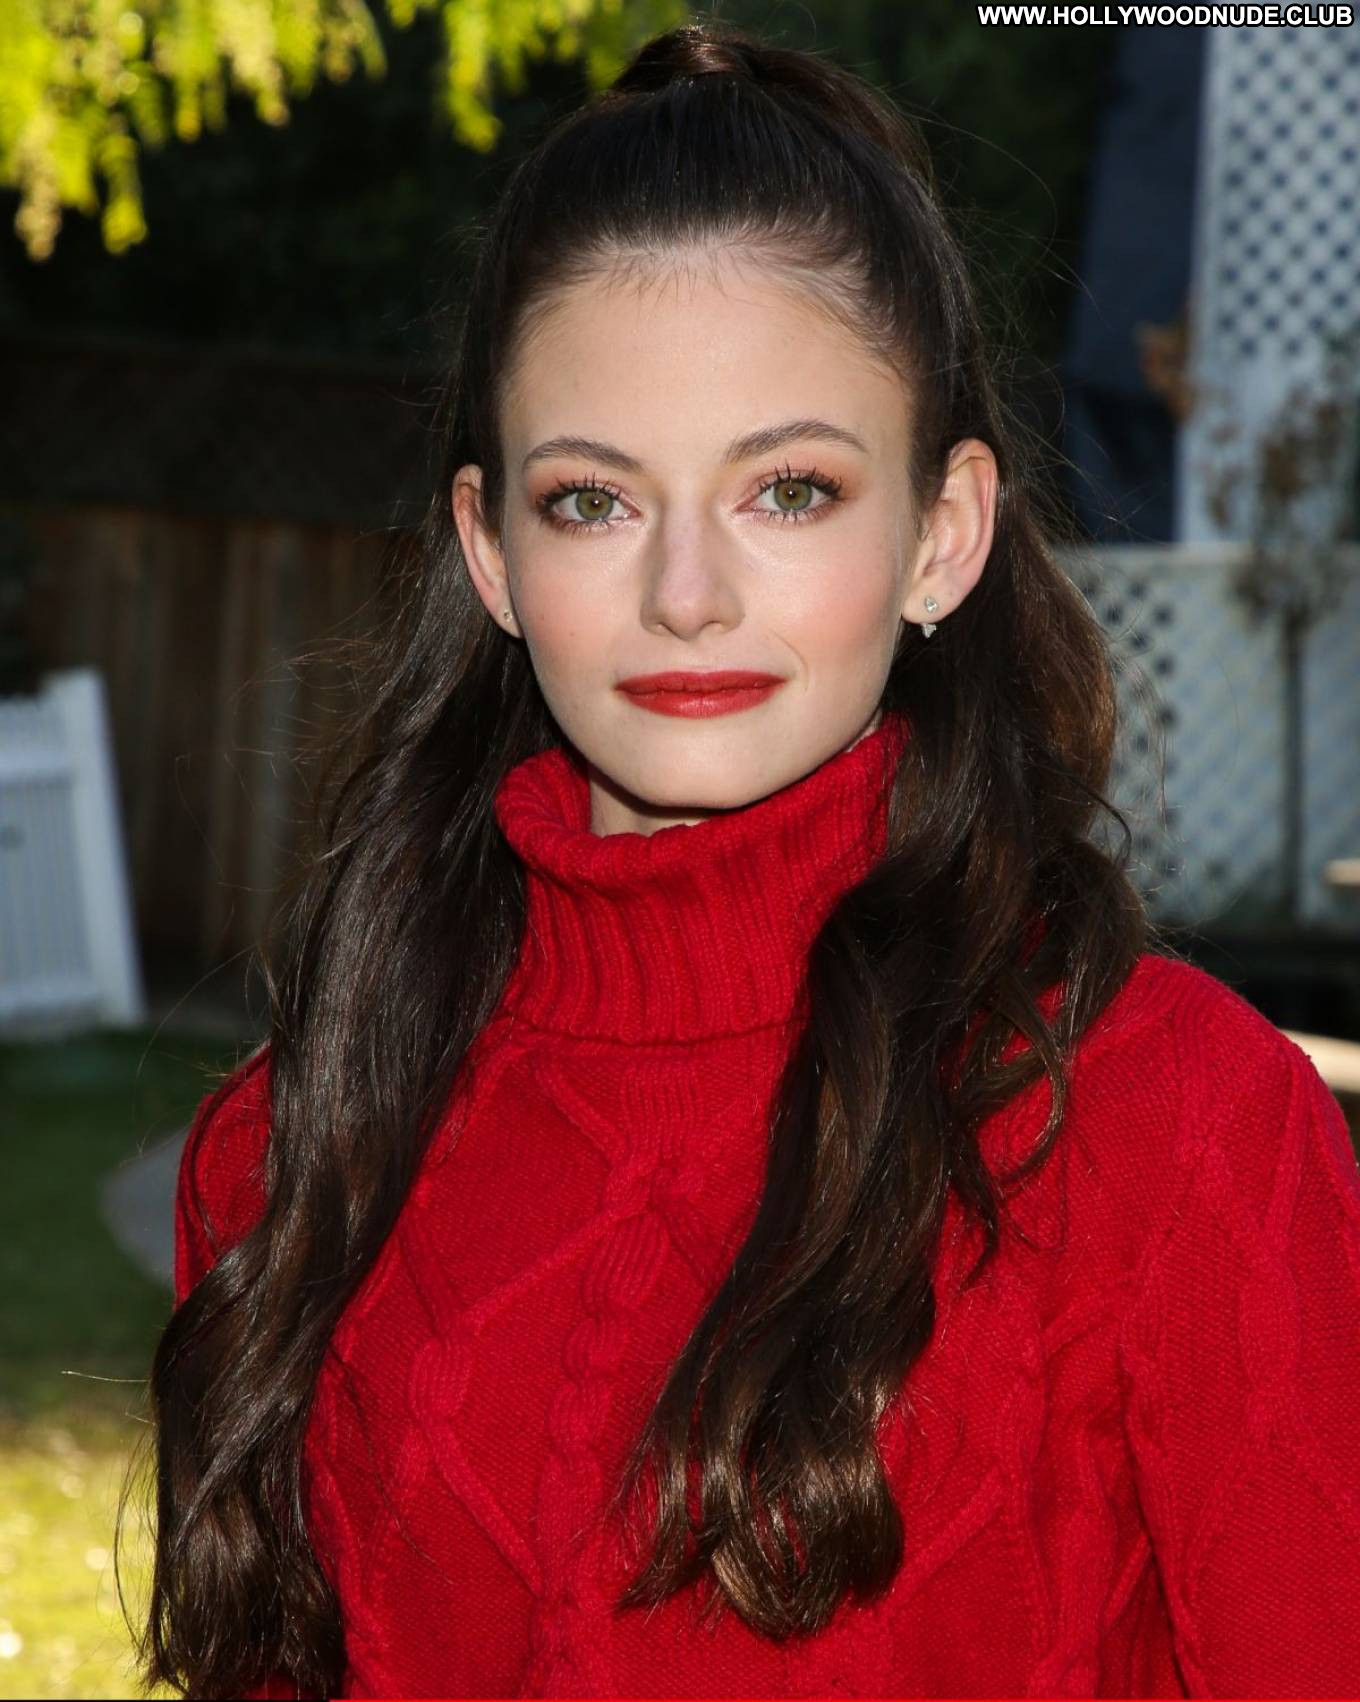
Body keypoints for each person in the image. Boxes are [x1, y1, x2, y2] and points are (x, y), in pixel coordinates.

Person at [132, 21, 1360, 1700]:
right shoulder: (293, 1152)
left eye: (788, 489)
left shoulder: (1185, 1127)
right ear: (489, 553)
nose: (687, 596)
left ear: (943, 533)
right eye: (594, 501)